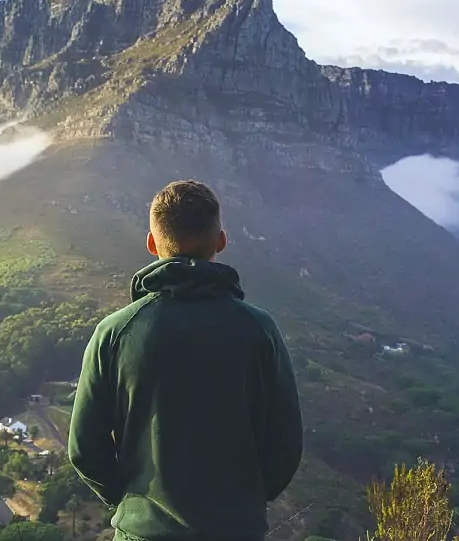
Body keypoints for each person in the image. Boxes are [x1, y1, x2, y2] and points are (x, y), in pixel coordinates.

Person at [68, 180, 304, 541]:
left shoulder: (115, 332)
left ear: (152, 243)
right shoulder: (259, 329)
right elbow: (286, 443)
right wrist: (245, 503)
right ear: (221, 241)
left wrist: (132, 505)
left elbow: (85, 447)